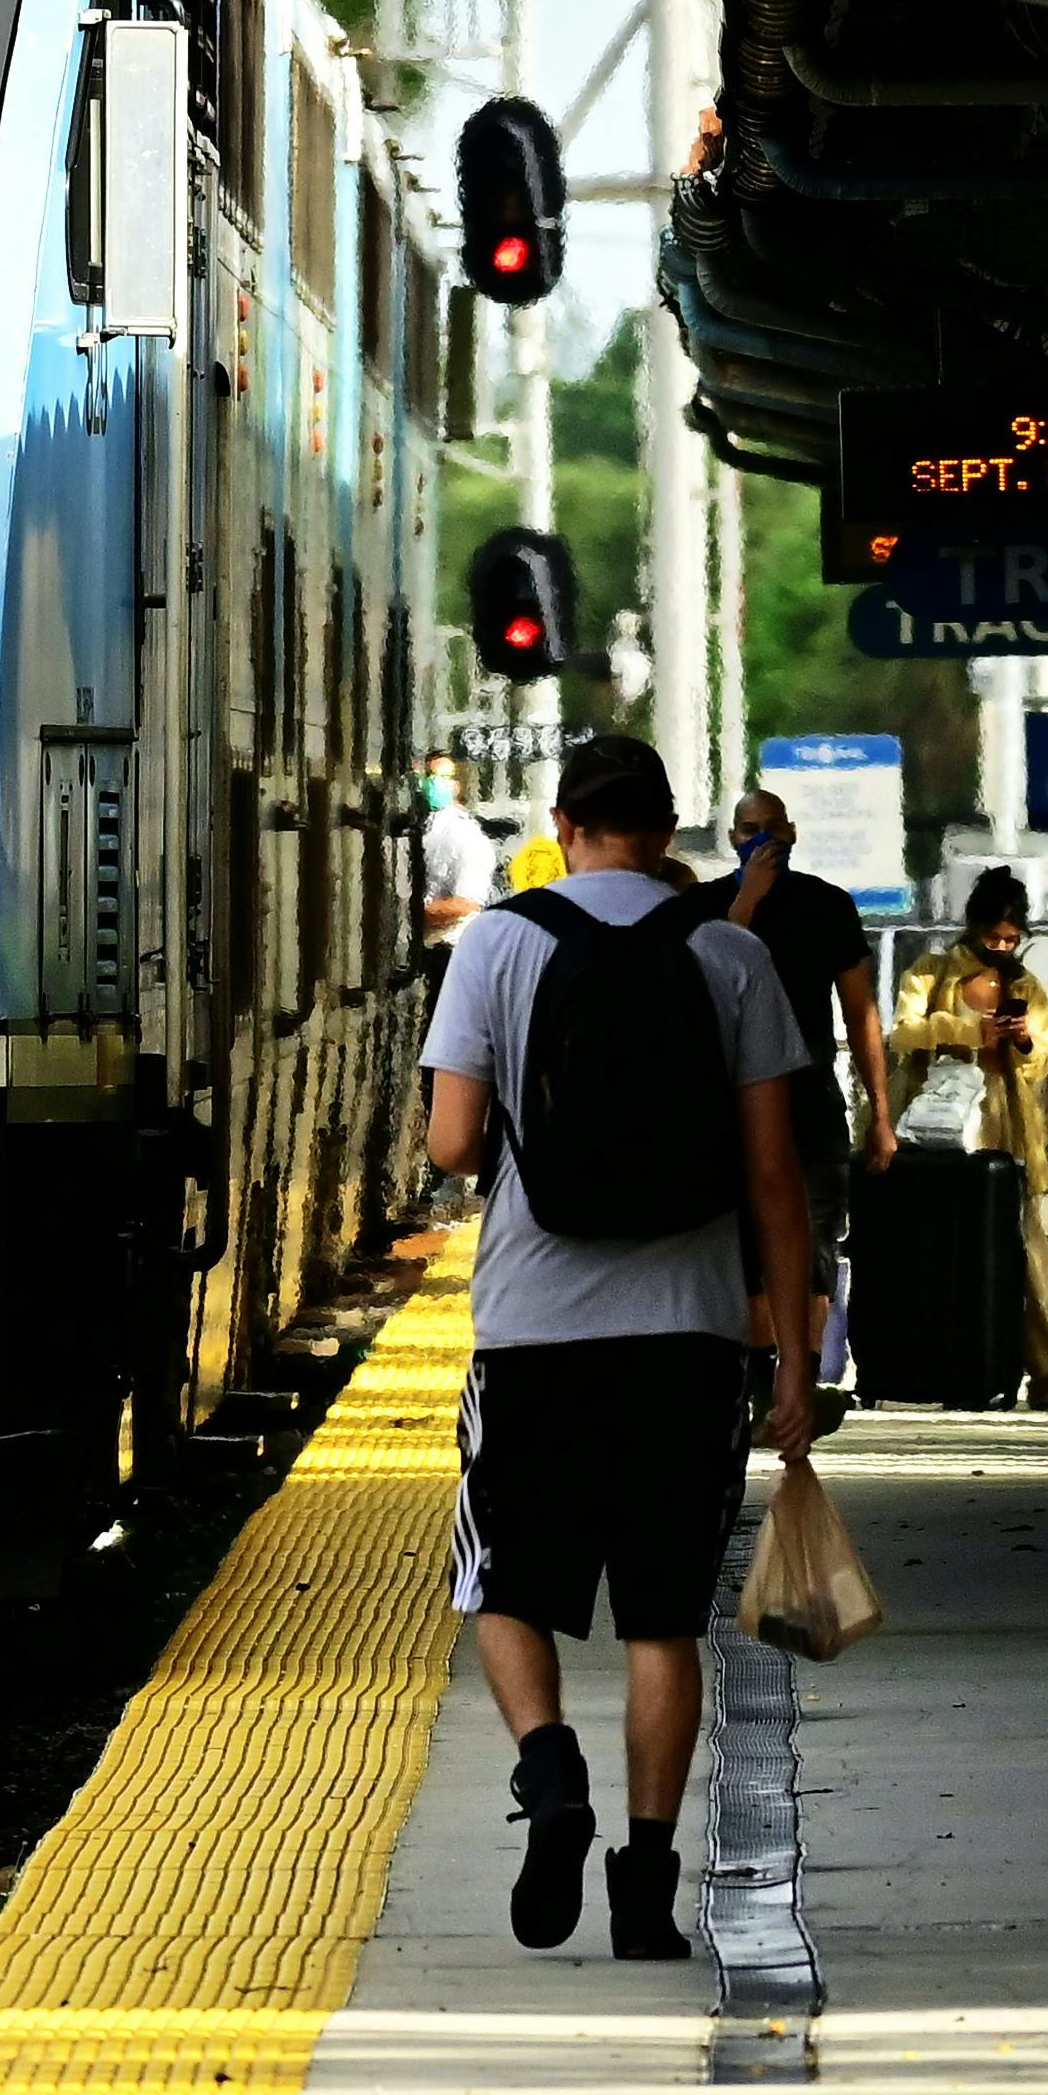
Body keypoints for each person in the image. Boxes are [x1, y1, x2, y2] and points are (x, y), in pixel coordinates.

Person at [419, 733, 815, 1962]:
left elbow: (447, 1144)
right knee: (661, 1619)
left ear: (563, 820)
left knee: (500, 1581)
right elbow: (773, 1177)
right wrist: (794, 1359)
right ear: (666, 824)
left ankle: (550, 1773)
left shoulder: (497, 938)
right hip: (690, 1334)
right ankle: (646, 1887)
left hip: (536, 1330)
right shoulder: (731, 951)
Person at [884, 865, 1048, 1409]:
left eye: (1010, 938)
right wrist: (969, 1030)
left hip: (1006, 1127)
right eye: (992, 936)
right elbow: (903, 1033)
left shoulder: (1026, 988)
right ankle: (942, 1362)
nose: (1000, 946)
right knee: (943, 1247)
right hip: (940, 1127)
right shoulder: (930, 973)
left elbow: (1041, 1058)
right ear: (972, 927)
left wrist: (1018, 1039)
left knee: (1026, 1252)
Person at [725, 785, 888, 1390]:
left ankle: (804, 1380)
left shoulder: (826, 906)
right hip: (734, 1110)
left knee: (814, 1247)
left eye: (772, 828)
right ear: (733, 839)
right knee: (744, 1254)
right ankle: (757, 1373)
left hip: (810, 1103)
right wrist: (748, 899)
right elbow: (706, 978)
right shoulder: (715, 906)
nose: (762, 841)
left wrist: (881, 1112)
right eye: (749, 830)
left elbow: (860, 1011)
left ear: (791, 833)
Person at [413, 756, 504, 947]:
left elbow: (466, 904)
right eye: (429, 775)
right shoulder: (423, 826)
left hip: (450, 948)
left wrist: (409, 913)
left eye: (443, 777)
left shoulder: (467, 835)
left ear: (457, 786)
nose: (433, 782)